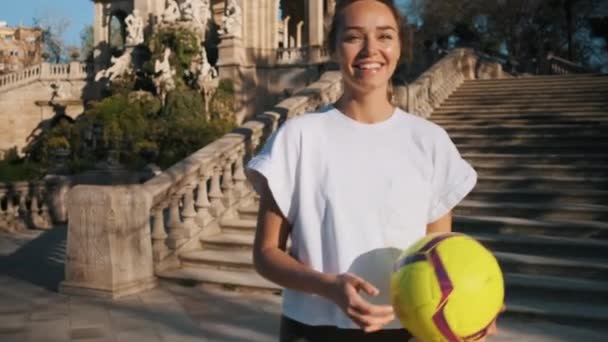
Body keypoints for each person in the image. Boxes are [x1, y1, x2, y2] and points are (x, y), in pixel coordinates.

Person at [245, 1, 498, 341]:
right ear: (334, 48)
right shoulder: (298, 136)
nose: (370, 50)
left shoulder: (430, 142)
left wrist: (472, 308)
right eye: (353, 37)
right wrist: (329, 286)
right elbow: (266, 254)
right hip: (312, 329)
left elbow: (441, 255)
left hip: (407, 330)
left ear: (399, 46)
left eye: (384, 36)